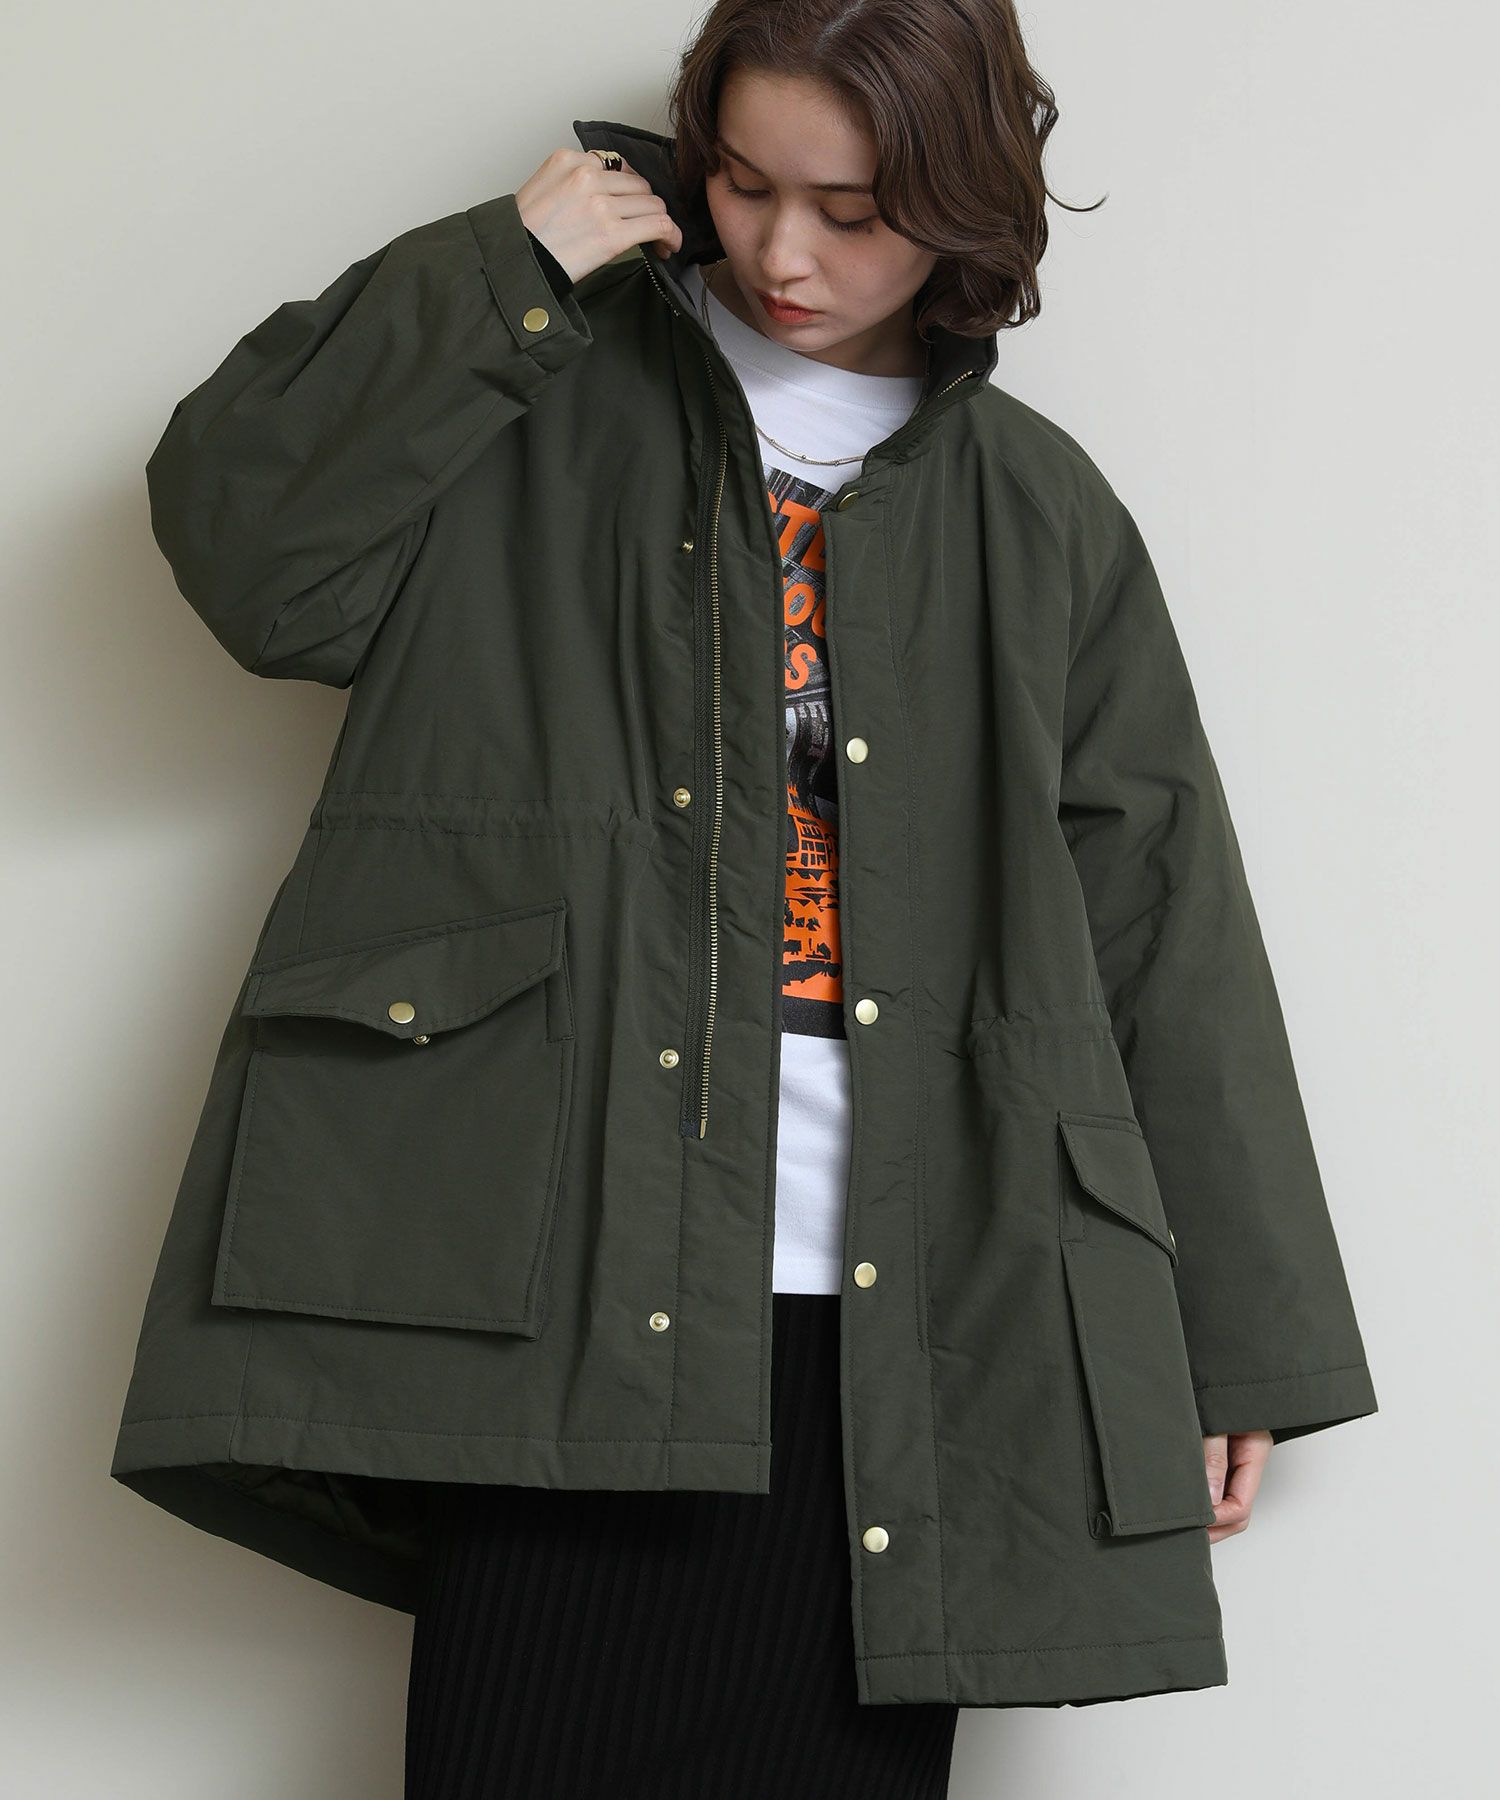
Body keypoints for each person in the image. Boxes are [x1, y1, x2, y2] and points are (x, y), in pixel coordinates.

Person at [112, 2, 1377, 1794]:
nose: (786, 255)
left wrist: (1236, 1344)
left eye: (853, 211)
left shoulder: (1040, 513)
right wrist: (501, 271)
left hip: (919, 1311)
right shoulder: (533, 387)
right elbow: (253, 566)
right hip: (554, 1268)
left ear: (964, 206)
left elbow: (1163, 921)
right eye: (746, 184)